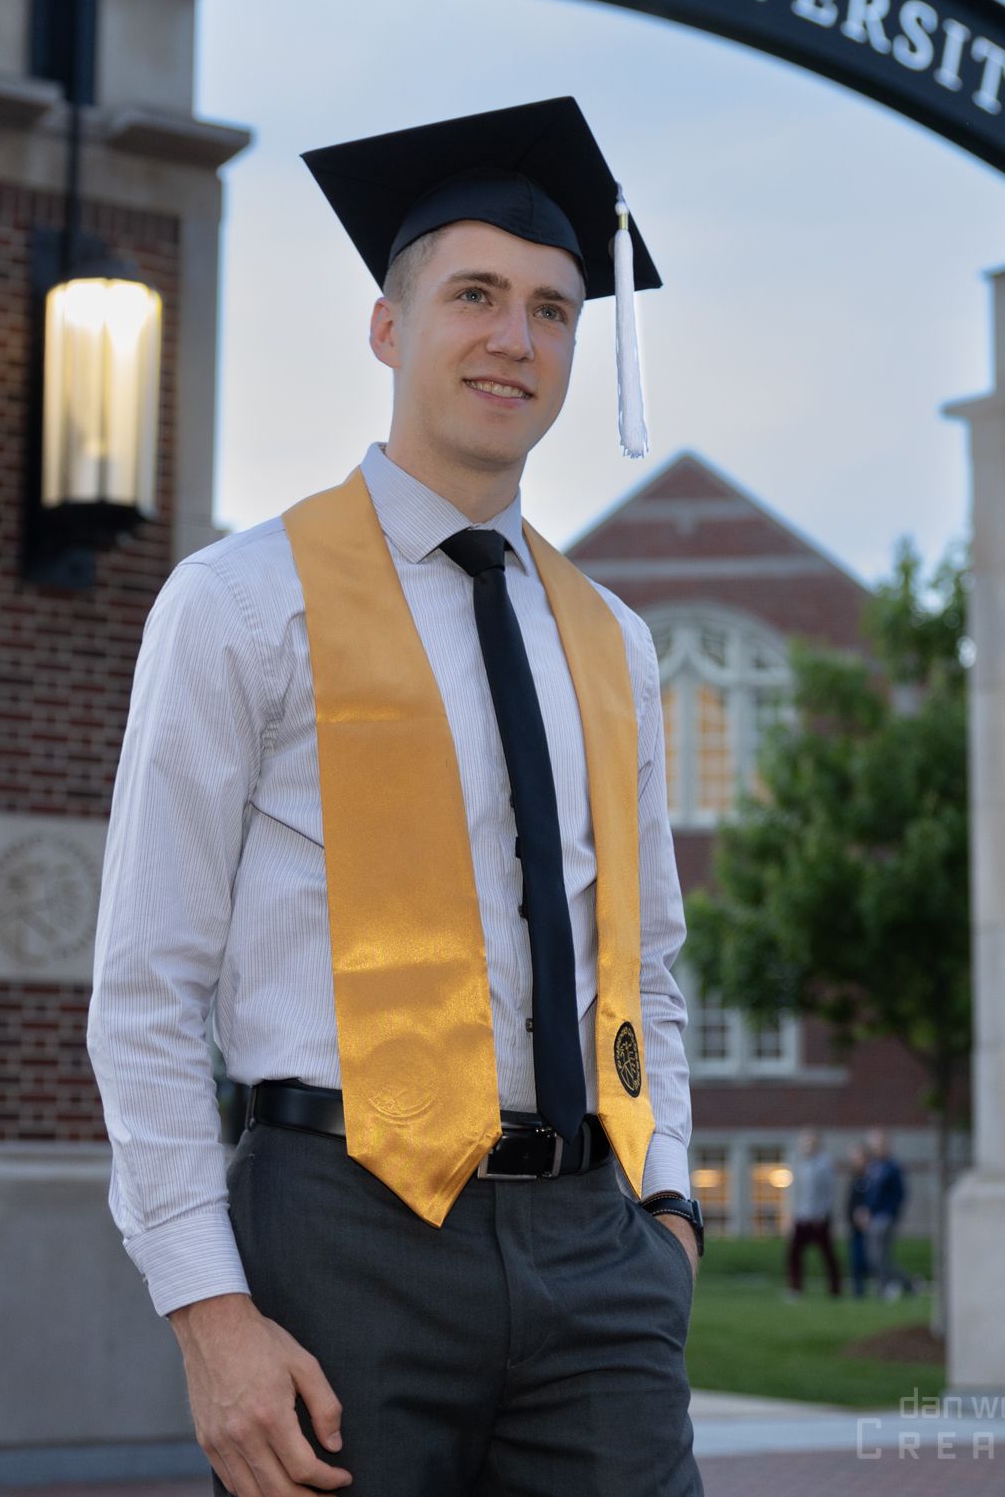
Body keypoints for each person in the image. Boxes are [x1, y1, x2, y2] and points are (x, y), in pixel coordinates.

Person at [87, 96, 704, 1497]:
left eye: (553, 309)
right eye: (475, 295)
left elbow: (647, 961)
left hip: (599, 1257)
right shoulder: (241, 604)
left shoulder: (613, 640)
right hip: (341, 1239)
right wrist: (208, 1307)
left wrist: (666, 1207)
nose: (516, 339)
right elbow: (145, 983)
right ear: (389, 327)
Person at [785, 1130, 841, 1298]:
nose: (806, 1146)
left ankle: (835, 1289)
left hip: (819, 1218)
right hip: (801, 1217)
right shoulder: (797, 1162)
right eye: (803, 1142)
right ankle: (795, 1288)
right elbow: (794, 1192)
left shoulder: (824, 1164)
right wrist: (791, 1214)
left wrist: (823, 1214)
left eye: (809, 1142)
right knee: (794, 1253)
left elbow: (828, 1192)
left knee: (827, 1254)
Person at [864, 1128, 913, 1298]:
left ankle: (885, 1288)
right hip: (872, 1217)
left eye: (880, 1144)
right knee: (873, 1257)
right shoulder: (872, 1166)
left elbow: (900, 1194)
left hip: (885, 1217)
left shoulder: (893, 1167)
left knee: (882, 1256)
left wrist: (890, 1213)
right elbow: (869, 1192)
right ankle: (907, 1283)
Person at [845, 1142, 870, 1298]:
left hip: (865, 1226)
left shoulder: (869, 1178)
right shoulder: (854, 1177)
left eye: (857, 1157)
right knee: (855, 1259)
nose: (854, 1161)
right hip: (853, 1226)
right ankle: (857, 1290)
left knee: (867, 1258)